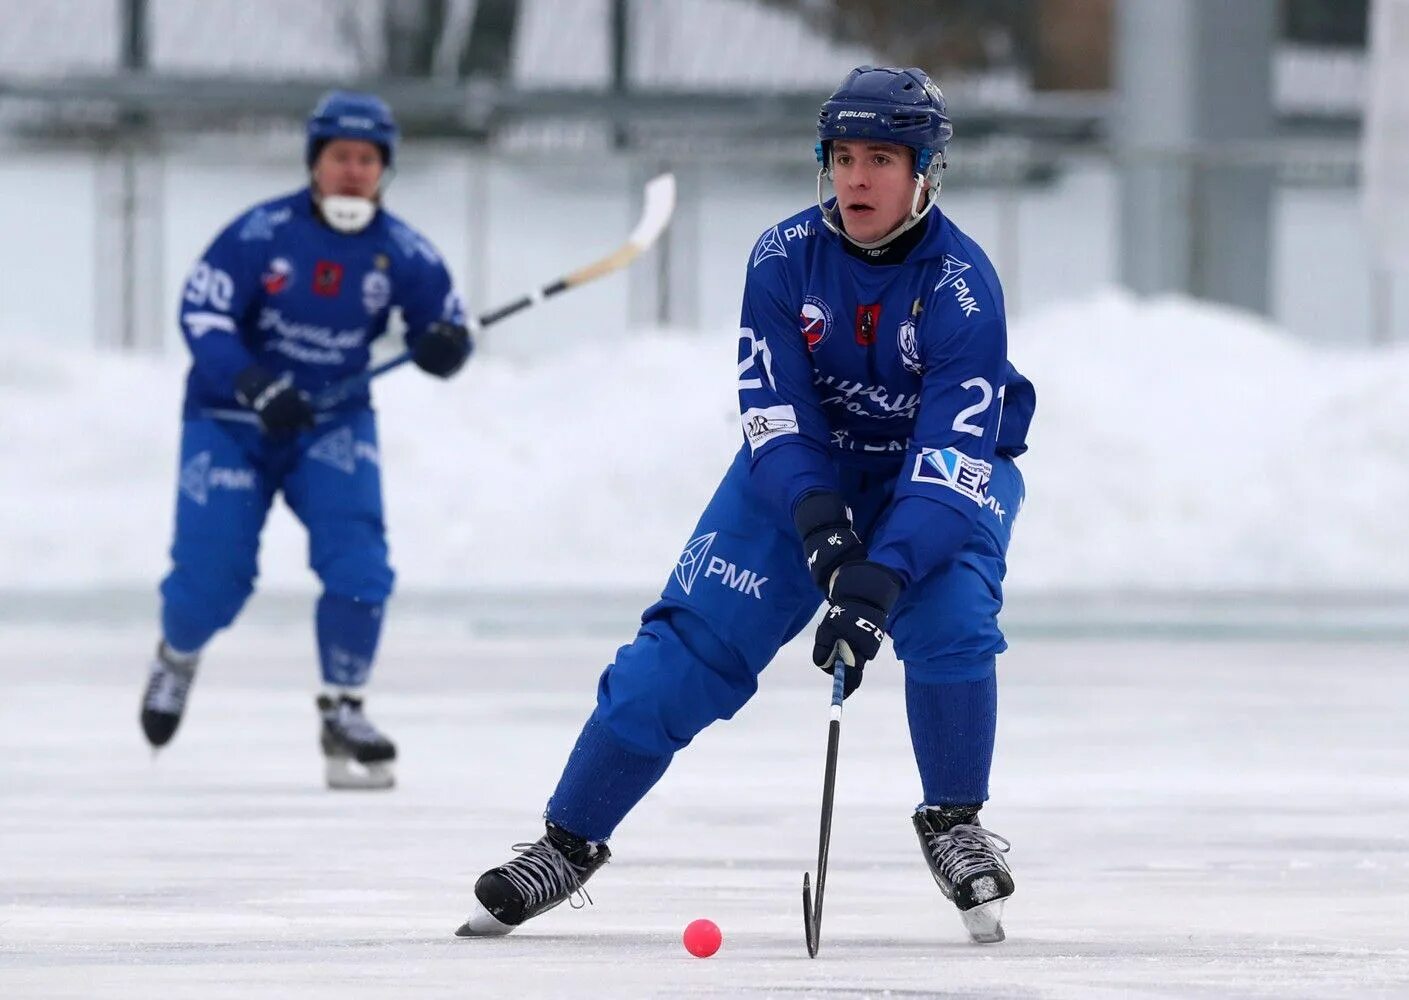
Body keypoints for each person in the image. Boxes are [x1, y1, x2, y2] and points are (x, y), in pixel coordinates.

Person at [456, 65, 1036, 943]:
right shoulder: (780, 259)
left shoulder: (962, 286)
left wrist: (876, 580)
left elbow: (955, 454)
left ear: (926, 172)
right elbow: (776, 412)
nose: (856, 178)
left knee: (950, 616)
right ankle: (566, 842)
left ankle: (955, 823)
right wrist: (820, 526)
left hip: (934, 483)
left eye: (883, 157)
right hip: (797, 477)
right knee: (686, 647)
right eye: (842, 155)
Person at [138, 90, 474, 790]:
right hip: (231, 421)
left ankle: (344, 708)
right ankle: (177, 654)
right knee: (211, 581)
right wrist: (255, 384)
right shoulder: (259, 235)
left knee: (360, 567)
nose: (353, 171)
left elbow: (438, 329)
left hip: (334, 420)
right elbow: (202, 315)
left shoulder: (403, 252)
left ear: (384, 169)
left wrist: (444, 347)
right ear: (315, 163)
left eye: (367, 159)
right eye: (339, 157)